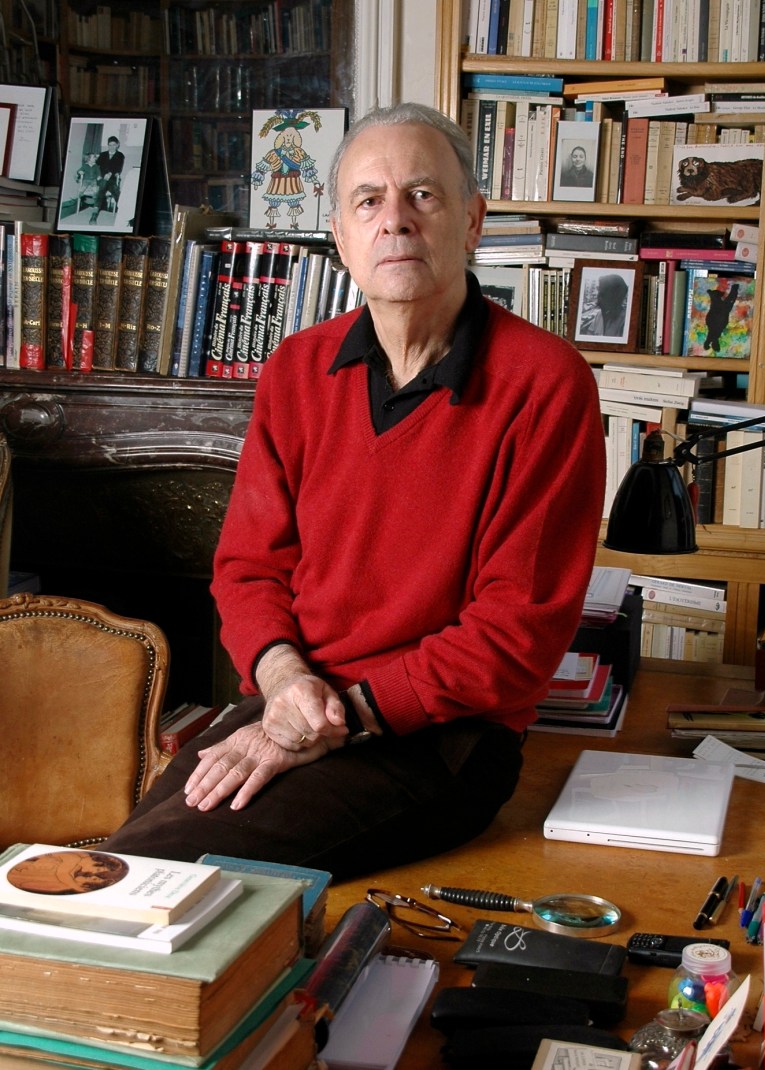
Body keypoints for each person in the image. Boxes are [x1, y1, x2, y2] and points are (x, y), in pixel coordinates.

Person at [102, 103, 606, 879]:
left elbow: (514, 636)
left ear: (472, 221)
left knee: (152, 876)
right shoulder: (296, 371)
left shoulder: (544, 384)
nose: (395, 221)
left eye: (423, 196)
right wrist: (283, 681)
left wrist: (339, 719)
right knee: (124, 859)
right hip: (298, 698)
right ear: (339, 237)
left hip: (443, 738)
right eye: (368, 201)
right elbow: (247, 571)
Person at [580, 272, 628, 338]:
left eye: (601, 293)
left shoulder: (625, 321)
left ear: (613, 296)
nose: (597, 295)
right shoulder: (599, 315)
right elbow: (589, 335)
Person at [89, 135, 125, 225]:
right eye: (110, 145)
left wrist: (110, 173)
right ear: (107, 145)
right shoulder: (103, 154)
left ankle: (94, 215)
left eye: (114, 144)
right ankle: (94, 215)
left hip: (112, 179)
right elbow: (97, 166)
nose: (112, 147)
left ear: (117, 145)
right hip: (101, 179)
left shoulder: (120, 155)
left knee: (115, 190)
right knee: (104, 184)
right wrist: (99, 175)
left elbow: (118, 168)